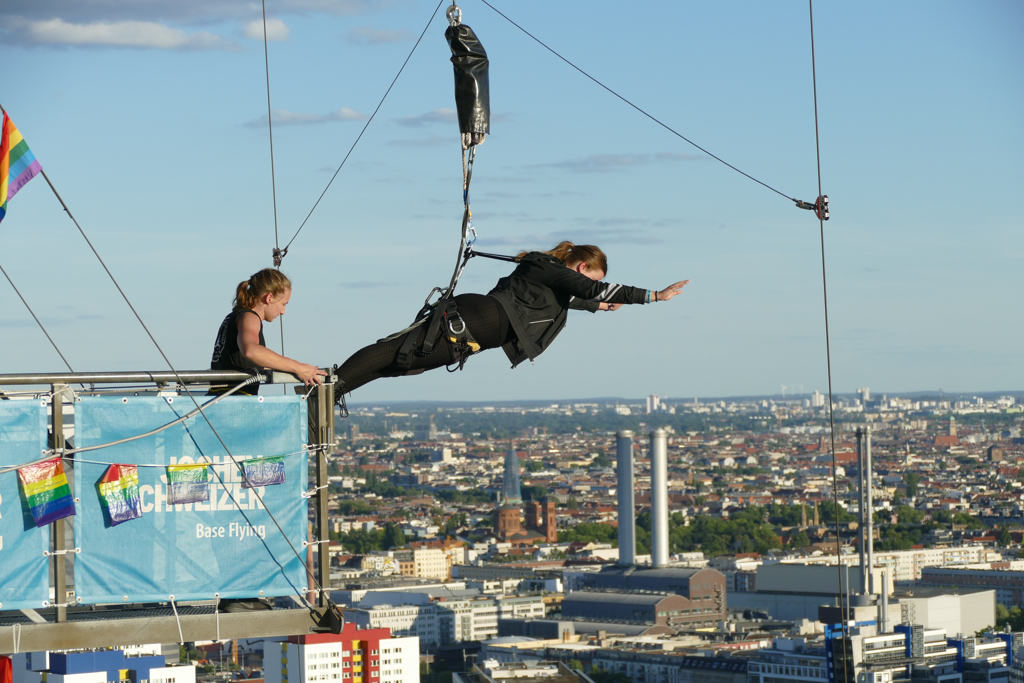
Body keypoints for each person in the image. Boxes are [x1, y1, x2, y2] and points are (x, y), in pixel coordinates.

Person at [333, 241, 688, 396]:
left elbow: (557, 302)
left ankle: (334, 390)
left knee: (401, 361)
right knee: (396, 353)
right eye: (588, 280)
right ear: (582, 269)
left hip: (480, 323)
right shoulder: (552, 269)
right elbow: (593, 291)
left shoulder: (549, 277)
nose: (586, 287)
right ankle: (328, 387)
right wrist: (654, 296)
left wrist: (598, 307)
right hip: (480, 320)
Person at [210, 268, 326, 395]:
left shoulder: (233, 317)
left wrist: (300, 370)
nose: (283, 312)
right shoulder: (250, 317)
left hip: (218, 398)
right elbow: (251, 350)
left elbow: (252, 361)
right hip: (234, 403)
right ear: (269, 297)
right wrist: (298, 366)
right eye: (283, 304)